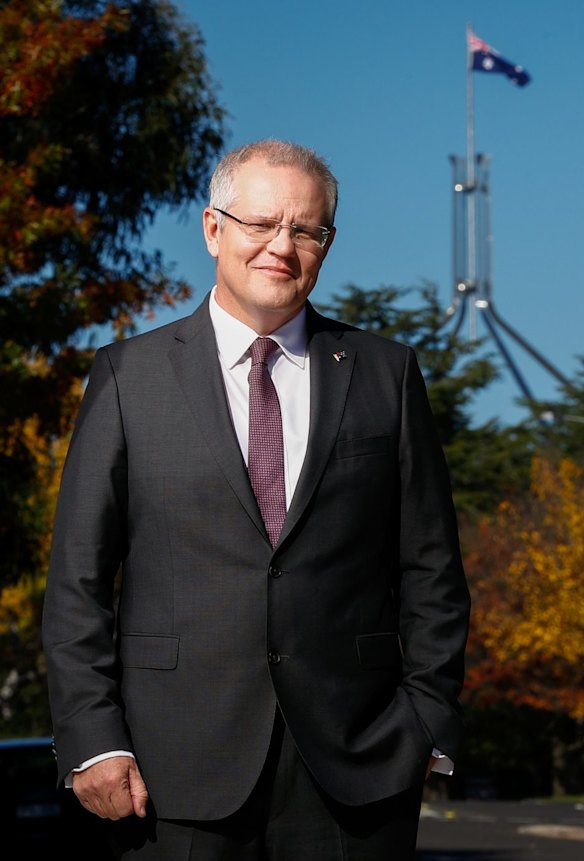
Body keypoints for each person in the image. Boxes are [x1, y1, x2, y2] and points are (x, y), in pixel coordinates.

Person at [42, 138, 471, 860]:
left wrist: (428, 720)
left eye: (306, 230)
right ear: (214, 229)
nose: (282, 245)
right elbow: (78, 579)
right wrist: (91, 739)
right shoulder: (127, 377)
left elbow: (432, 568)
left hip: (357, 771)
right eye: (261, 223)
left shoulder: (386, 375)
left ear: (326, 245)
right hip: (164, 771)